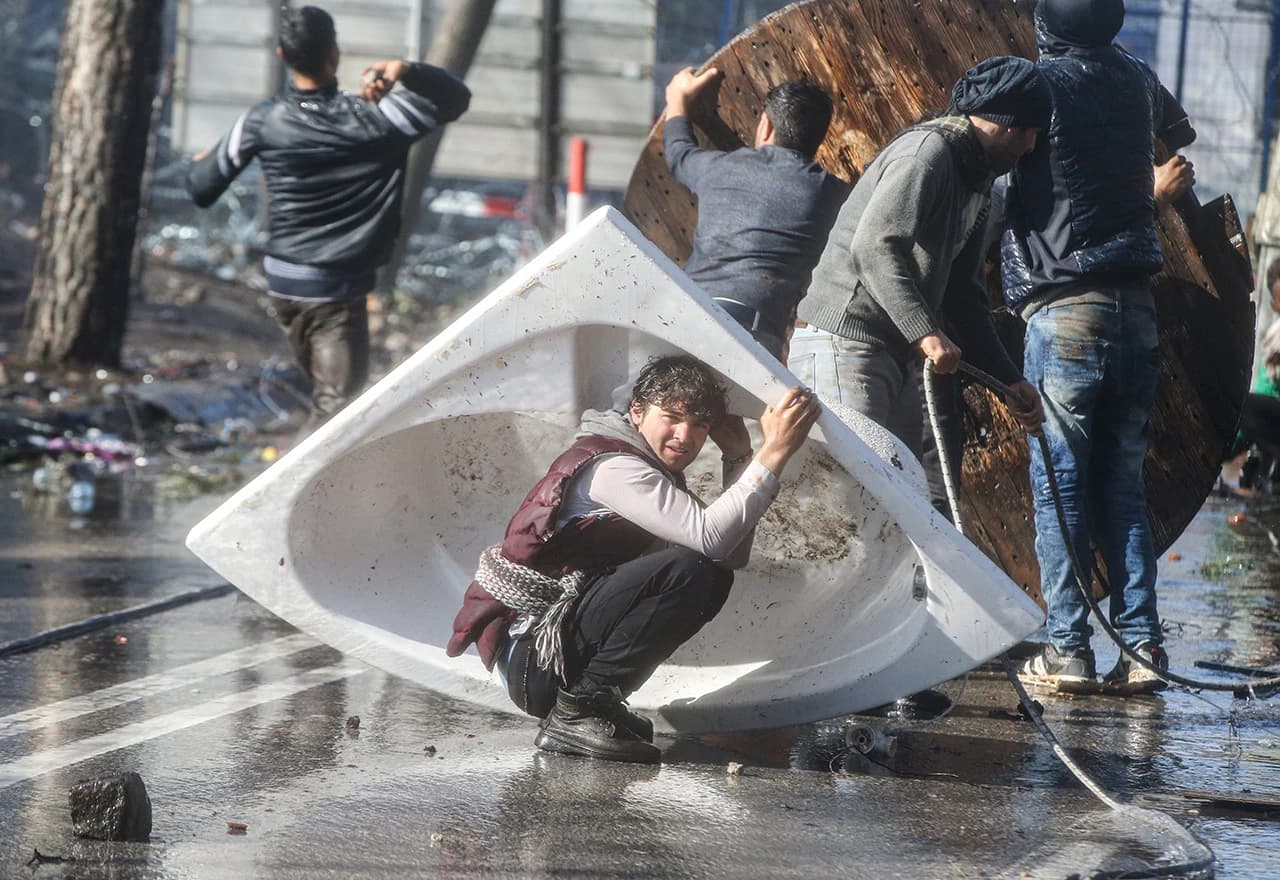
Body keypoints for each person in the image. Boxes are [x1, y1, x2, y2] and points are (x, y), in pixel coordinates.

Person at [446, 355, 819, 763]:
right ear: (637, 412)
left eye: (700, 424)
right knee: (690, 571)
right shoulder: (615, 467)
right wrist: (775, 451)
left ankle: (595, 702)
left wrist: (738, 456)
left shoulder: (650, 472)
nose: (684, 435)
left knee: (706, 572)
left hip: (548, 658)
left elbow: (728, 553)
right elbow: (711, 541)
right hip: (533, 661)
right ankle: (579, 709)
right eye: (672, 416)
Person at [1002, 0, 1197, 691]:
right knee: (1122, 487)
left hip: (1065, 310)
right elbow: (1181, 137)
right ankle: (1142, 653)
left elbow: (993, 170)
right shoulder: (1138, 77)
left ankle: (1068, 651)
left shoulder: (1037, 85)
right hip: (1134, 308)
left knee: (1060, 488)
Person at [187, 5, 470, 438]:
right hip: (336, 294)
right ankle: (280, 498)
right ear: (334, 56)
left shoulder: (262, 120)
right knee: (338, 413)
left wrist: (205, 160)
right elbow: (454, 98)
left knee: (328, 397)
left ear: (282, 55)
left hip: (284, 286)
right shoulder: (379, 119)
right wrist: (405, 70)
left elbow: (201, 187)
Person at [792, 56, 1048, 487]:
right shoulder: (925, 154)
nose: (1032, 148)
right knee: (847, 495)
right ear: (1011, 125)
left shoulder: (978, 184)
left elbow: (965, 298)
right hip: (846, 345)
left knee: (902, 499)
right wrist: (926, 333)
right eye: (1033, 134)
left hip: (893, 355)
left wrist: (1011, 381)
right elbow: (874, 247)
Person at [662, 69, 850, 361]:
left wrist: (677, 99)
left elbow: (679, 153)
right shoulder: (832, 195)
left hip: (687, 314)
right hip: (756, 334)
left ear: (766, 125)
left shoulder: (719, 168)